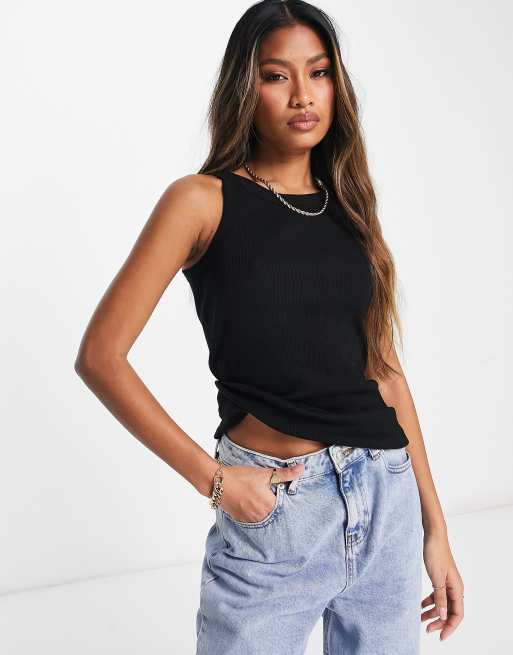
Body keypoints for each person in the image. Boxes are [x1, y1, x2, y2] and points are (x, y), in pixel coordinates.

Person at [75, 1, 464, 653]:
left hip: (385, 500)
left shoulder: (349, 206)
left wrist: (435, 527)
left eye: (319, 72)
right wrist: (215, 480)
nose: (302, 94)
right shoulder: (201, 200)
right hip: (278, 513)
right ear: (244, 88)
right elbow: (100, 356)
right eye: (276, 75)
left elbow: (384, 370)